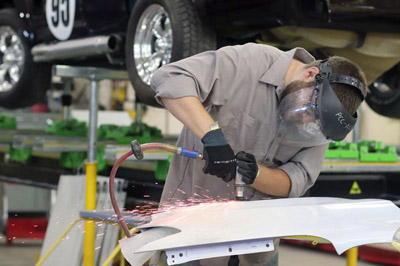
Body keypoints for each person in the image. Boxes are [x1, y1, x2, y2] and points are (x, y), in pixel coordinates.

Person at [149, 43, 367, 266]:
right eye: (310, 112)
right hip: (189, 240)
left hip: (255, 251)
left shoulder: (319, 124)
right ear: (311, 75)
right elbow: (170, 78)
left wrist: (255, 174)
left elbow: (297, 180)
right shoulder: (249, 63)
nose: (306, 122)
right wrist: (212, 138)